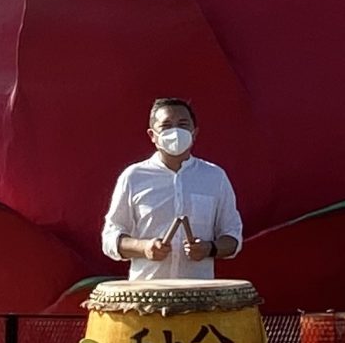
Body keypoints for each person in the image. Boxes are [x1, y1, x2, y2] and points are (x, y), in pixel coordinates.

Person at [101, 99, 243, 280]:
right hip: (147, 295)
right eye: (166, 126)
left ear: (194, 132)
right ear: (152, 135)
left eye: (182, 125)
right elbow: (110, 237)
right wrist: (144, 248)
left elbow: (232, 236)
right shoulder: (133, 177)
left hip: (199, 295)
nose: (175, 132)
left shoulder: (215, 177)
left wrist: (209, 248)